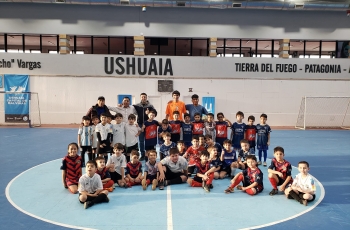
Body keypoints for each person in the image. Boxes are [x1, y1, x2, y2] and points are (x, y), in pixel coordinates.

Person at [134, 93, 158, 163]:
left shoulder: (150, 106)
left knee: (150, 140)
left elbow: (155, 113)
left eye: (145, 97)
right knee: (141, 141)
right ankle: (142, 155)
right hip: (140, 124)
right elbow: (130, 110)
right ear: (140, 98)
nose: (143, 98)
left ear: (146, 98)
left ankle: (153, 155)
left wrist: (149, 113)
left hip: (149, 124)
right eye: (142, 97)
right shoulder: (137, 106)